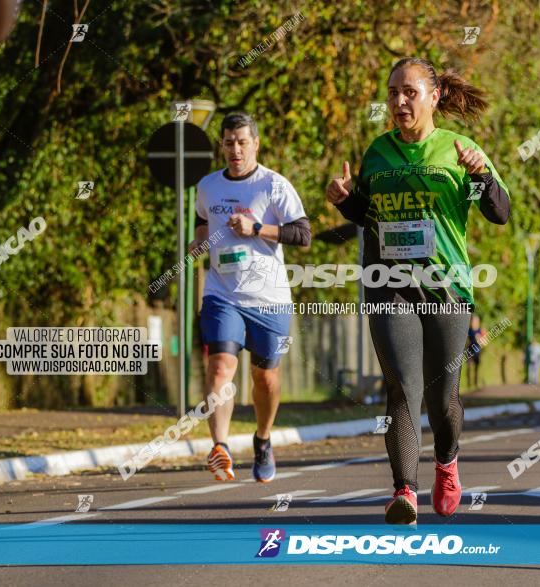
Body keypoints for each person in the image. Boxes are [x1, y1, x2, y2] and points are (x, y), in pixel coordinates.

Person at [327, 57, 510, 524]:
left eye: (409, 91)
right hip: (389, 284)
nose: (399, 101)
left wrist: (482, 177)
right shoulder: (378, 152)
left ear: (434, 97)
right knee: (401, 388)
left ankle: (446, 464)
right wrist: (346, 199)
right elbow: (367, 214)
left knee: (442, 397)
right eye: (392, 92)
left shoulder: (460, 148)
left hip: (446, 287)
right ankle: (403, 491)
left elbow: (500, 212)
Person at [190, 112, 311, 484]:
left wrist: (257, 228)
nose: (235, 149)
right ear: (221, 145)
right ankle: (221, 447)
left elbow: (303, 235)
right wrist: (198, 241)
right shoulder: (208, 186)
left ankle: (262, 439)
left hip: (268, 298)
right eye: (228, 142)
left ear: (255, 144)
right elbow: (201, 220)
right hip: (222, 293)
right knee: (220, 366)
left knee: (265, 378)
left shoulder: (273, 186)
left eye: (243, 142)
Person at [466, 315, 487, 388]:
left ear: (478, 321)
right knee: (469, 366)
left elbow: (485, 342)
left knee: (476, 368)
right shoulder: (468, 330)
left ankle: (476, 383)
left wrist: (480, 339)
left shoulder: (481, 330)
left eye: (475, 320)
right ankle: (469, 383)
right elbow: (466, 341)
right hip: (469, 351)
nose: (473, 322)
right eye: (472, 320)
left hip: (477, 351)